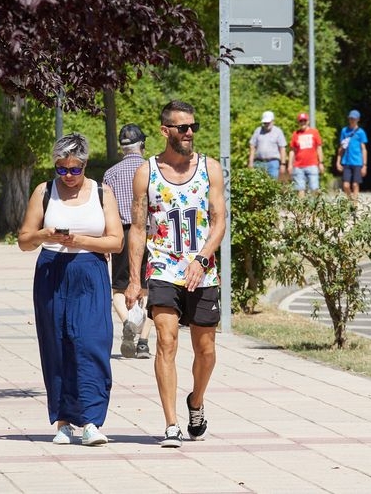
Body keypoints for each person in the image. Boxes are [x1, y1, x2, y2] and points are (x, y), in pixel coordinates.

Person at [125, 100, 226, 448]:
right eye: (182, 128)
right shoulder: (146, 172)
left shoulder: (210, 169)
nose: (189, 133)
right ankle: (171, 424)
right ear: (165, 130)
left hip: (203, 271)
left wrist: (202, 258)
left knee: (206, 350)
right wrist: (135, 279)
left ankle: (195, 401)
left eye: (193, 127)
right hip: (163, 267)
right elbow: (138, 228)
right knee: (166, 340)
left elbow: (219, 221)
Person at [18, 133, 123, 446]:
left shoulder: (102, 193)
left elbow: (115, 241)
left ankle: (91, 421)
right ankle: (63, 421)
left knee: (92, 343)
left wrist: (80, 241)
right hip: (52, 271)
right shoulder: (44, 191)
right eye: (61, 169)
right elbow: (24, 240)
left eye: (74, 169)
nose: (67, 176)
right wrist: (43, 234)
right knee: (58, 344)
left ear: (85, 165)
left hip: (89, 271)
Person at [103, 123, 155, 359]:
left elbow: (106, 209)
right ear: (142, 145)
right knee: (149, 287)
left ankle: (127, 322)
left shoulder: (111, 173)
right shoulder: (153, 169)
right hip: (150, 232)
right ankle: (143, 341)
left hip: (122, 233)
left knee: (119, 287)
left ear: (123, 148)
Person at [287, 113, 324, 196]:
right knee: (300, 188)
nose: (303, 122)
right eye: (301, 121)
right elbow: (292, 150)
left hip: (312, 164)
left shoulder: (314, 132)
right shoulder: (295, 134)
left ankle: (314, 207)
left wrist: (321, 163)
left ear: (308, 121)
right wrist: (290, 165)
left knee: (314, 188)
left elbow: (319, 148)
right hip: (298, 165)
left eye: (304, 120)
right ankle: (302, 208)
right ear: (299, 122)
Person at [336, 109, 368, 201]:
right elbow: (341, 147)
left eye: (354, 119)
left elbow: (364, 149)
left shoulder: (361, 132)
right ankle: (351, 200)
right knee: (346, 185)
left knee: (355, 184)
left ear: (358, 119)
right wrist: (338, 162)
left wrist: (364, 165)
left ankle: (354, 206)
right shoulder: (344, 131)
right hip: (346, 161)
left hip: (357, 161)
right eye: (350, 118)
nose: (352, 120)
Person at [248, 110, 286, 179]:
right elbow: (252, 146)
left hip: (273, 163)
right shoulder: (258, 131)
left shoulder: (278, 132)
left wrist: (283, 164)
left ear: (273, 121)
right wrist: (251, 162)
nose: (266, 124)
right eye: (265, 123)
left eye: (268, 122)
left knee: (273, 185)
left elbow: (282, 148)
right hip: (259, 163)